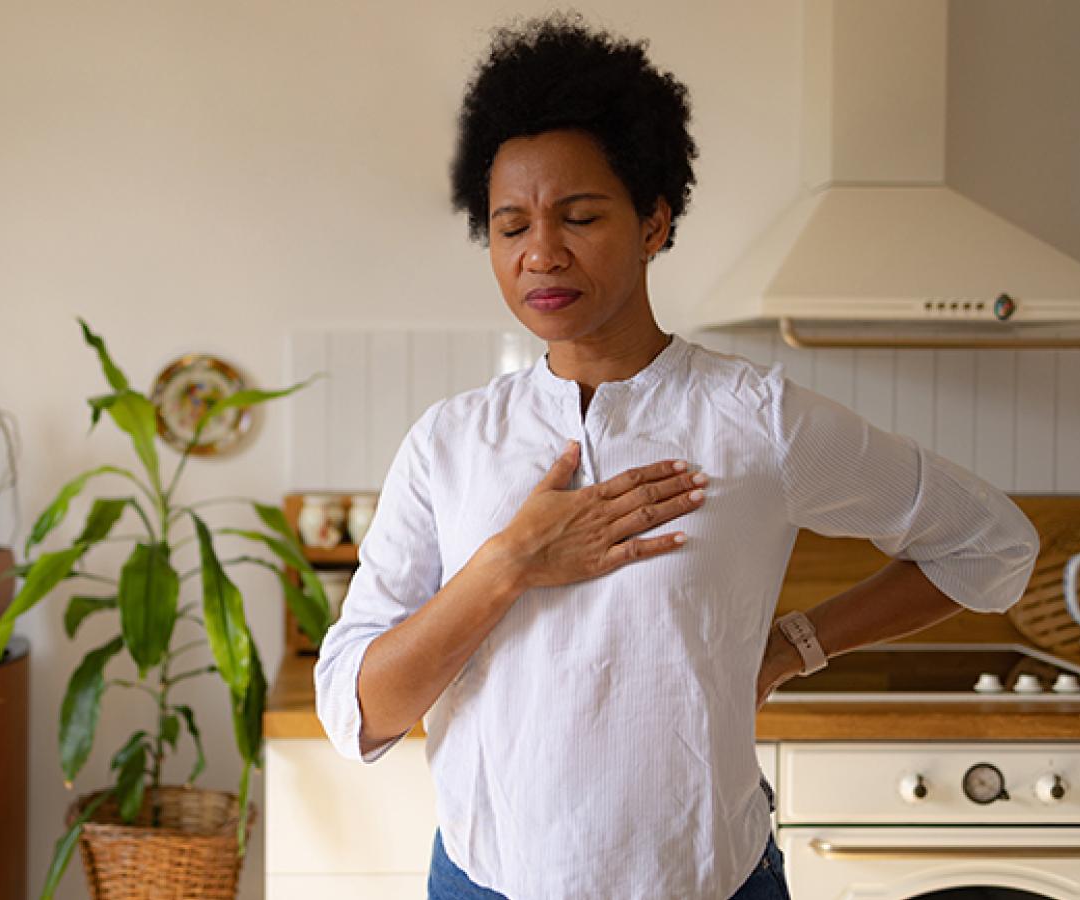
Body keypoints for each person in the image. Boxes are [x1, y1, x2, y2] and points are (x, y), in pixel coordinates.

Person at [313, 13, 1040, 900]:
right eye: (510, 227)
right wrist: (510, 563)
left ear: (654, 223)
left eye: (580, 216)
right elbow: (356, 711)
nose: (541, 252)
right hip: (484, 878)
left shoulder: (757, 419)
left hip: (707, 880)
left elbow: (992, 545)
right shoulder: (450, 442)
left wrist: (795, 646)